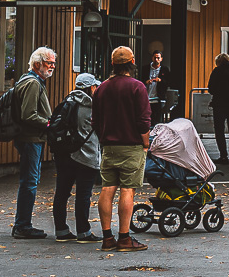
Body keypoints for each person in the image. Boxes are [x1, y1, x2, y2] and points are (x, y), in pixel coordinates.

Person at [92, 47, 150, 252]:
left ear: (112, 64)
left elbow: (95, 121)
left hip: (109, 146)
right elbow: (143, 121)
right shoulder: (137, 87)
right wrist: (145, 143)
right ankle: (124, 238)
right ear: (132, 63)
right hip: (131, 145)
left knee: (107, 188)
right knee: (127, 189)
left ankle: (107, 238)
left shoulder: (101, 88)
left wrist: (104, 138)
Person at [11, 47, 57, 239]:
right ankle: (22, 226)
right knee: (30, 182)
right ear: (37, 64)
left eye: (54, 63)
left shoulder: (29, 80)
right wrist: (48, 123)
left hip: (30, 138)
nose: (52, 66)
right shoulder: (33, 83)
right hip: (31, 139)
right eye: (49, 63)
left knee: (30, 181)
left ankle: (22, 224)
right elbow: (28, 114)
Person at [53, 73, 102, 242]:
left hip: (64, 154)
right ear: (89, 87)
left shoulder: (67, 102)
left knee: (61, 192)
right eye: (94, 86)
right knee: (83, 194)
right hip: (85, 155)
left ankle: (61, 230)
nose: (96, 89)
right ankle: (83, 232)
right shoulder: (92, 106)